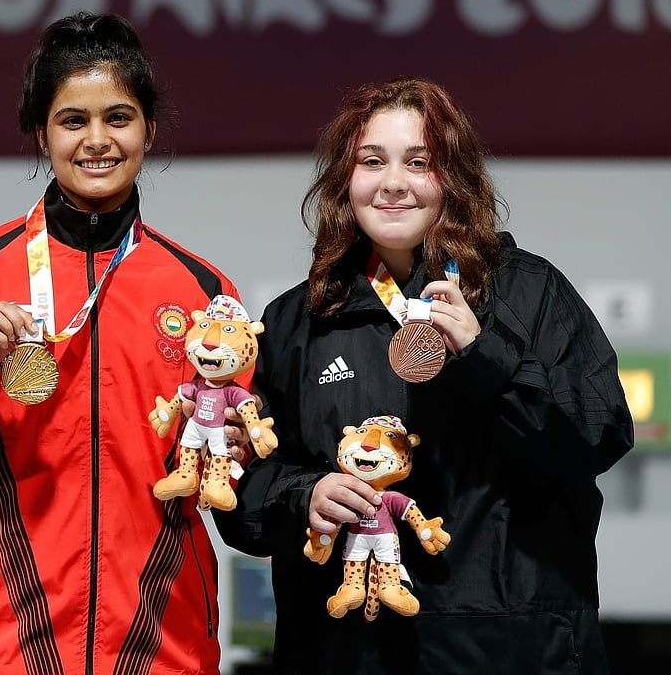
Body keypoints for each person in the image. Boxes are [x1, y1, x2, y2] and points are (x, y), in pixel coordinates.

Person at [213, 76, 635, 675]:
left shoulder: (526, 292)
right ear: (345, 181)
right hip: (346, 651)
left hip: (509, 650)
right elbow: (242, 491)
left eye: (419, 162)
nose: (392, 183)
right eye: (371, 161)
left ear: (453, 178)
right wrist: (304, 495)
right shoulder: (296, 322)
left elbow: (599, 432)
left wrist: (484, 353)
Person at [0, 11, 244, 675]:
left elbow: (238, 467)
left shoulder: (203, 293)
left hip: (162, 646)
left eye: (119, 116)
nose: (97, 139)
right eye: (73, 119)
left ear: (150, 128)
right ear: (41, 133)